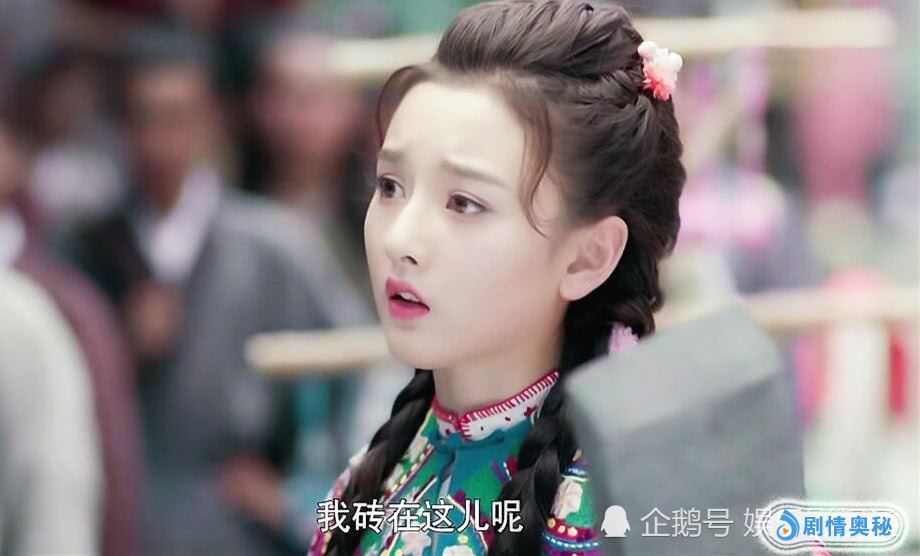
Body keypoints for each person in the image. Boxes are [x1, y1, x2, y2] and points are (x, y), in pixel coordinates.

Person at [310, 1, 686, 554]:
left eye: (463, 203)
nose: (400, 239)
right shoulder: (372, 478)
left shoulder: (640, 514)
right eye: (389, 186)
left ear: (586, 257)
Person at [60, 26, 364, 555]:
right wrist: (116, 351)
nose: (159, 140)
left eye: (178, 116)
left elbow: (361, 368)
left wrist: (301, 498)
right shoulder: (77, 249)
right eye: (142, 117)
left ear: (214, 119)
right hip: (113, 521)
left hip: (236, 530)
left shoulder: (272, 246)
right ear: (117, 126)